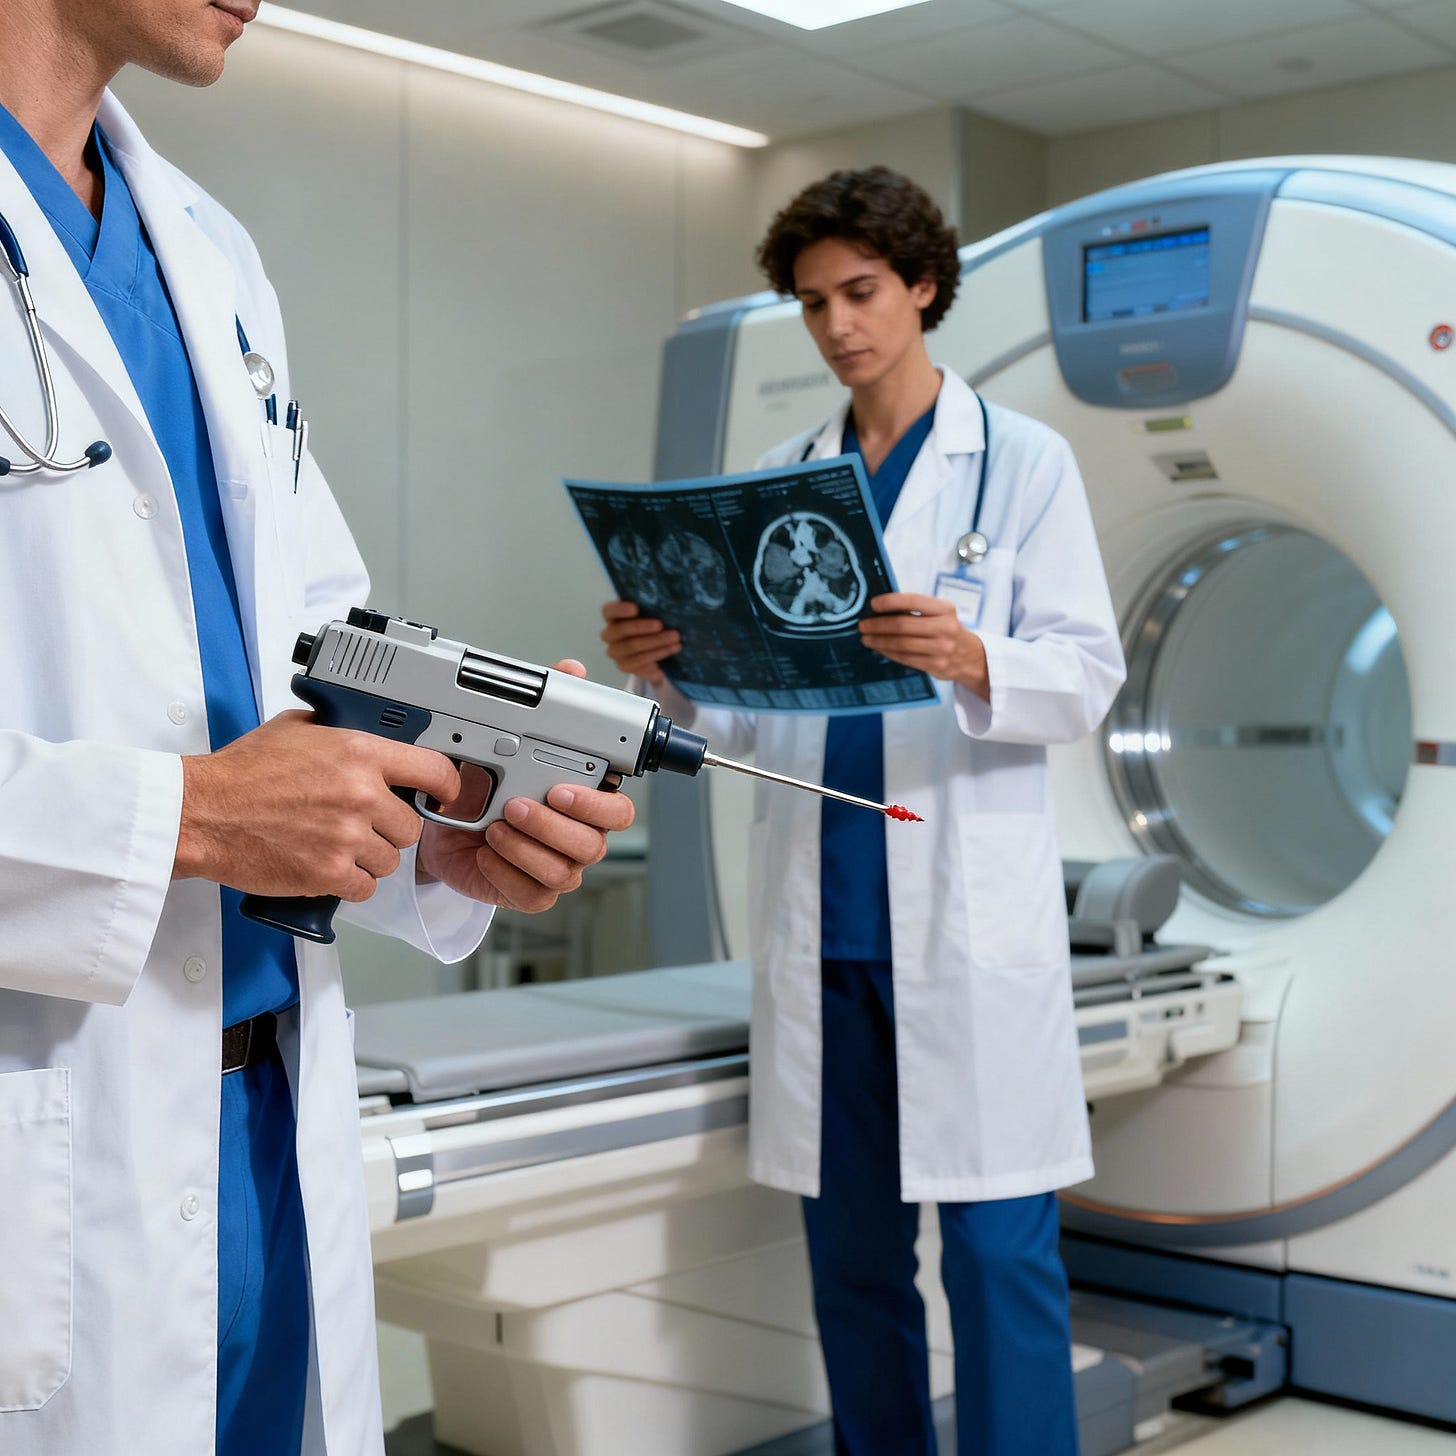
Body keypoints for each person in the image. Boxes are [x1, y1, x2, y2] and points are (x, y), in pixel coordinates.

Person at [0, 4, 634, 1454]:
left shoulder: (210, 256)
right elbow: (211, 780)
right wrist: (187, 819)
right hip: (46, 1142)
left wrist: (445, 830)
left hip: (263, 1122)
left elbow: (311, 660)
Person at [601, 166, 1126, 1453]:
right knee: (852, 1266)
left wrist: (972, 656)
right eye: (812, 302)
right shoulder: (781, 476)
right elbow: (732, 722)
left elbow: (1088, 680)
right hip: (823, 928)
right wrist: (662, 661)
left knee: (1000, 1261)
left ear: (922, 287)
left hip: (963, 927)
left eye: (861, 291)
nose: (838, 324)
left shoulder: (1022, 467)